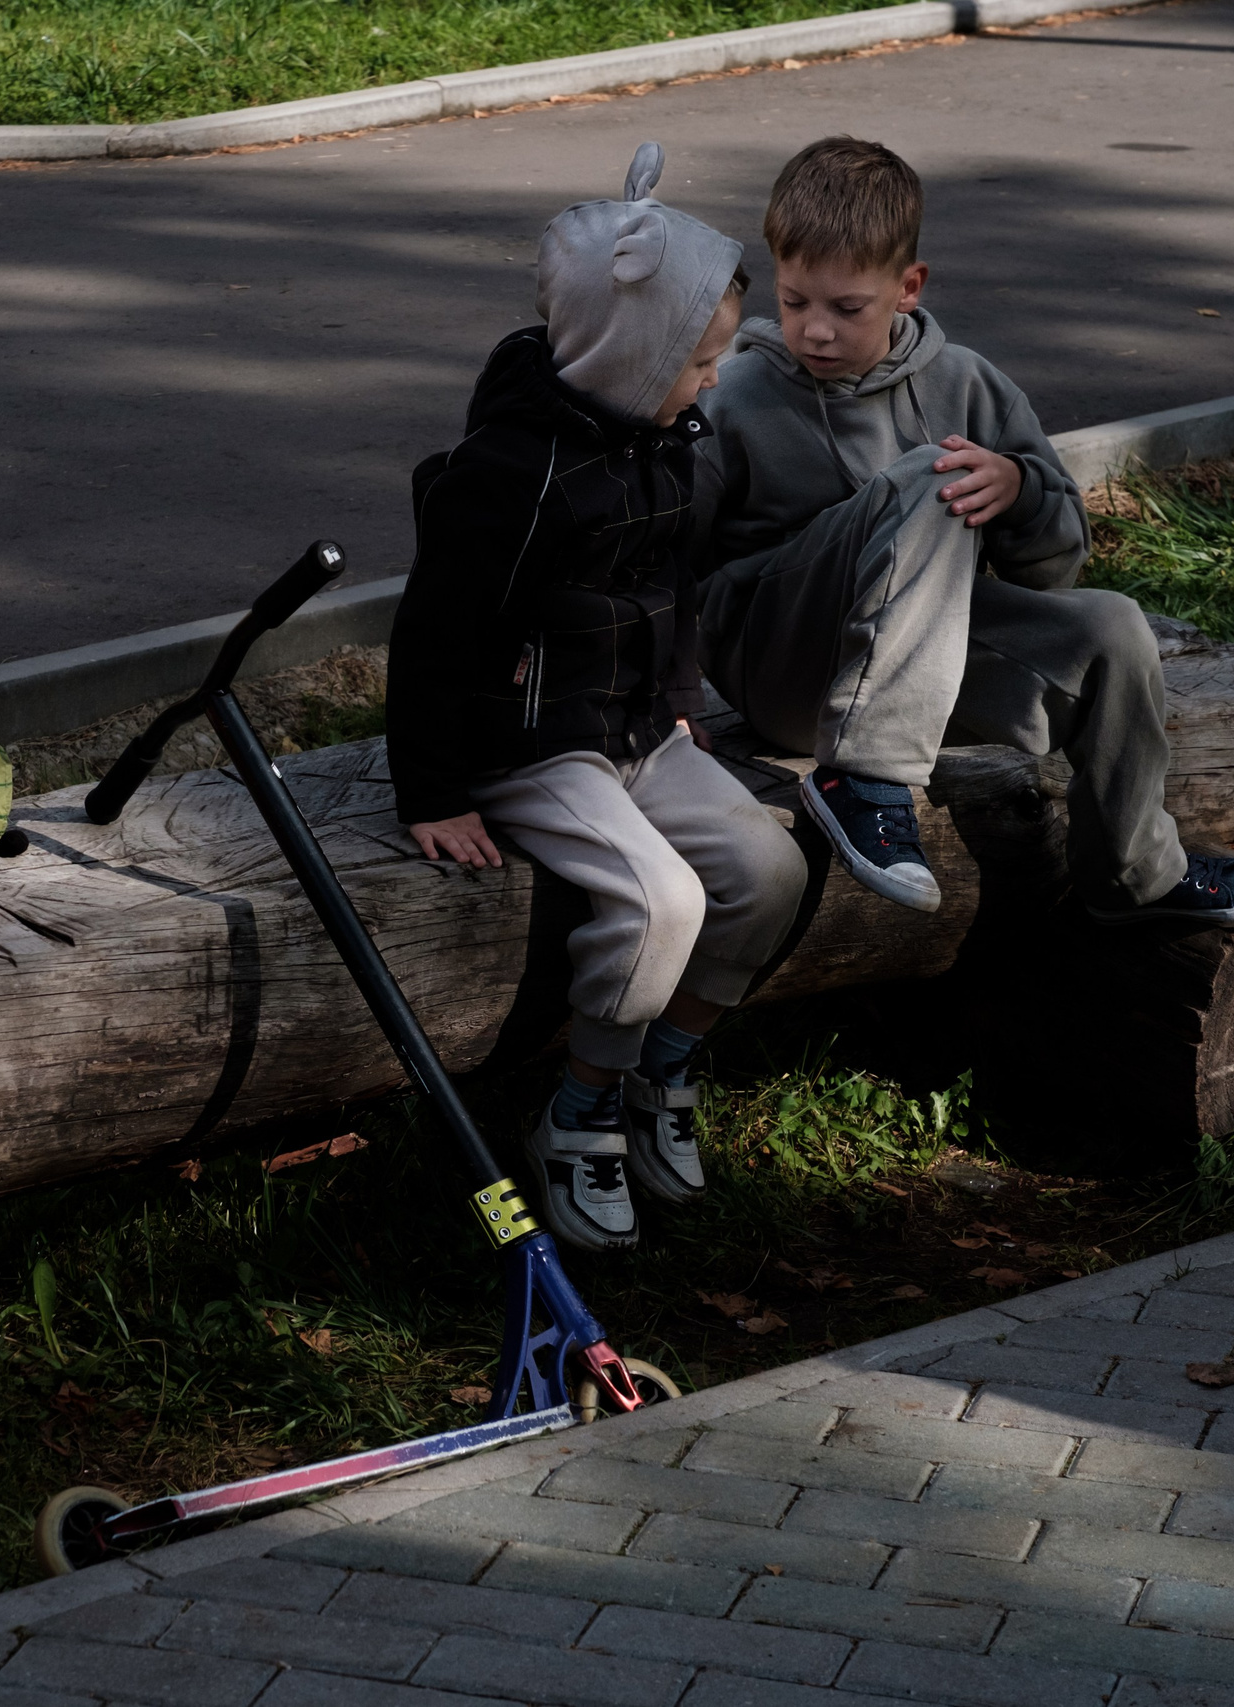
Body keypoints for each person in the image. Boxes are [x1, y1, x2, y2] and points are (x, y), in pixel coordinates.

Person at [696, 135, 1234, 928]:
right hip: (782, 665)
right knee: (933, 476)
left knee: (1109, 625)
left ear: (909, 287)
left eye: (847, 308)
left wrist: (1017, 492)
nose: (816, 331)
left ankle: (1135, 872)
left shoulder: (967, 383)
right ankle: (865, 778)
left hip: (918, 669)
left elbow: (1056, 569)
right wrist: (660, 696)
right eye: (795, 300)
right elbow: (657, 550)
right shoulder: (735, 392)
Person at [386, 143, 808, 1254]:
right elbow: (434, 633)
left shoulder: (665, 434)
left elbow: (671, 583)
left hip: (632, 726)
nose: (715, 380)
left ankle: (660, 1071)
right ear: (633, 351)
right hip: (531, 747)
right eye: (701, 361)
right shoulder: (511, 478)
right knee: (660, 900)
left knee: (768, 870)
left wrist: (678, 699)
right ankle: (580, 1112)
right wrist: (430, 790)